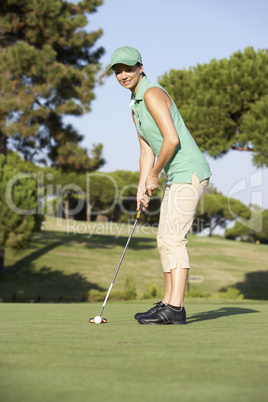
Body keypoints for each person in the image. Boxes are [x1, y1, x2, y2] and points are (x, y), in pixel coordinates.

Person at [109, 46, 212, 325]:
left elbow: (171, 140)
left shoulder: (152, 94)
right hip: (175, 174)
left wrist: (154, 175)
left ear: (140, 67)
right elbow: (146, 151)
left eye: (128, 69)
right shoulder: (135, 104)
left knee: (174, 238)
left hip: (188, 171)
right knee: (163, 239)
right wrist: (142, 185)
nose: (123, 75)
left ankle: (175, 308)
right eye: (118, 71)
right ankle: (167, 303)